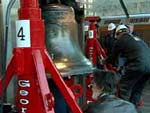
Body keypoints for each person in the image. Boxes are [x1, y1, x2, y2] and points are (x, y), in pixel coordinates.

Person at [104, 24, 150, 110]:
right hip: (149, 66)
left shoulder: (121, 40)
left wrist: (104, 61)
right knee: (137, 89)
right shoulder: (137, 38)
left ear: (117, 34)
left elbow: (113, 57)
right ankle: (133, 109)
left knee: (123, 87)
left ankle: (123, 110)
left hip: (138, 65)